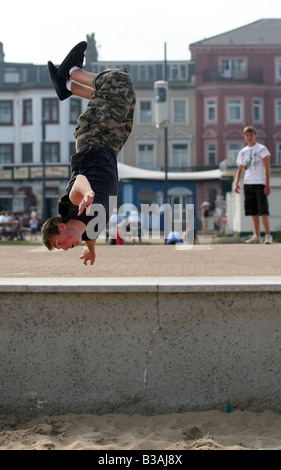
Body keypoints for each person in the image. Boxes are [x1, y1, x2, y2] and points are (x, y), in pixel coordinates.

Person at [41, 42, 136, 265]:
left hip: (93, 141)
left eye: (59, 243)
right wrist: (91, 251)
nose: (65, 249)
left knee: (119, 81)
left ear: (62, 226)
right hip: (111, 146)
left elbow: (79, 182)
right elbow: (90, 237)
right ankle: (66, 86)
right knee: (121, 98)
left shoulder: (72, 208)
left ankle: (72, 71)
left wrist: (88, 193)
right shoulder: (88, 231)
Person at [234, 125, 272, 244]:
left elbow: (267, 168)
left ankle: (268, 235)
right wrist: (236, 183)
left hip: (260, 183)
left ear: (255, 135)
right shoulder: (243, 152)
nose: (249, 137)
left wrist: (267, 184)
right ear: (245, 137)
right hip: (248, 183)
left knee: (263, 210)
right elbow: (240, 169)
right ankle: (257, 235)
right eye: (247, 135)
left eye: (251, 135)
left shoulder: (262, 149)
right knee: (253, 211)